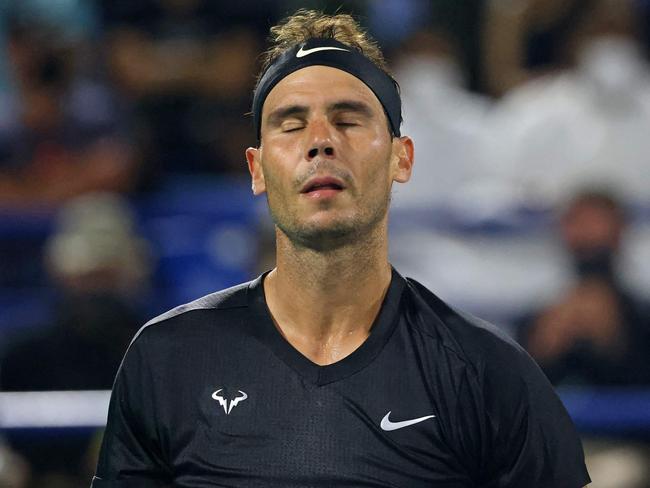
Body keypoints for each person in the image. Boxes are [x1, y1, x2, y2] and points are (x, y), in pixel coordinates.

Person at [92, 9, 591, 487]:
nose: (321, 142)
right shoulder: (167, 359)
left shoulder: (488, 372)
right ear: (257, 168)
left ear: (402, 157)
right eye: (291, 123)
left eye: (348, 120)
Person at [519, 190, 650, 386]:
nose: (587, 233)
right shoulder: (537, 320)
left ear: (620, 230)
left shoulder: (640, 318)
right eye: (577, 222)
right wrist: (544, 346)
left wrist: (614, 341)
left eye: (597, 221)